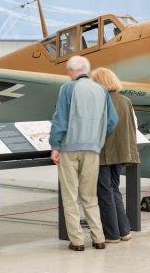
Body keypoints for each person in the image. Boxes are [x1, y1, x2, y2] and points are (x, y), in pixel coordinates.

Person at [49, 56, 118, 252]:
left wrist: (55, 145)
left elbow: (60, 119)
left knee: (70, 196)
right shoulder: (102, 90)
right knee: (90, 196)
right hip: (93, 149)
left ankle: (77, 241)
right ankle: (99, 238)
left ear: (71, 72)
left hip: (69, 149)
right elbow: (112, 121)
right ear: (87, 70)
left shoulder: (67, 89)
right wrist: (97, 136)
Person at [91, 67, 140, 243]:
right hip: (121, 152)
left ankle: (111, 234)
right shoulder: (125, 100)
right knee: (114, 190)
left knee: (105, 194)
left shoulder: (98, 101)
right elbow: (132, 127)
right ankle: (124, 230)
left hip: (103, 153)